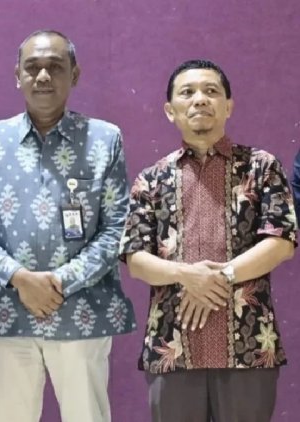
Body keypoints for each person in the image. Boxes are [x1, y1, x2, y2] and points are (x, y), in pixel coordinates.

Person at [0, 29, 136, 422]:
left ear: (74, 75)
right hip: (8, 315)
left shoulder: (104, 139)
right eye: (33, 67)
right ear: (17, 76)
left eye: (55, 67)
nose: (43, 76)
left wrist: (58, 282)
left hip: (82, 314)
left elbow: (116, 230)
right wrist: (20, 279)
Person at [120, 59, 296, 422]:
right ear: (170, 110)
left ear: (228, 106)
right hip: (172, 348)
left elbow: (281, 241)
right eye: (187, 92)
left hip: (248, 346)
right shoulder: (151, 179)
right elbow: (135, 259)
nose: (200, 99)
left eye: (211, 91)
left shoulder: (262, 167)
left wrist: (222, 276)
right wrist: (187, 276)